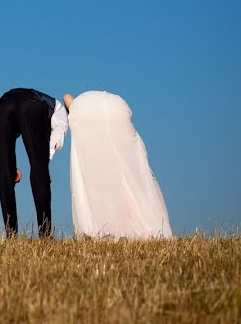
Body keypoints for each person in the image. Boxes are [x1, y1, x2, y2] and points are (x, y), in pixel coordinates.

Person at [64, 90, 172, 238]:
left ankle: (103, 227)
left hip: (88, 110)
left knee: (93, 175)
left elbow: (66, 97)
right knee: (128, 173)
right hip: (118, 107)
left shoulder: (78, 106)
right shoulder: (99, 103)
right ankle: (137, 224)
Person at [0, 88, 69, 237]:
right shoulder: (59, 110)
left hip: (2, 106)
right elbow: (58, 134)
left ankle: (11, 235)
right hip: (31, 105)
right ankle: (45, 235)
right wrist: (44, 164)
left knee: (5, 174)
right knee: (38, 169)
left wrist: (7, 167)